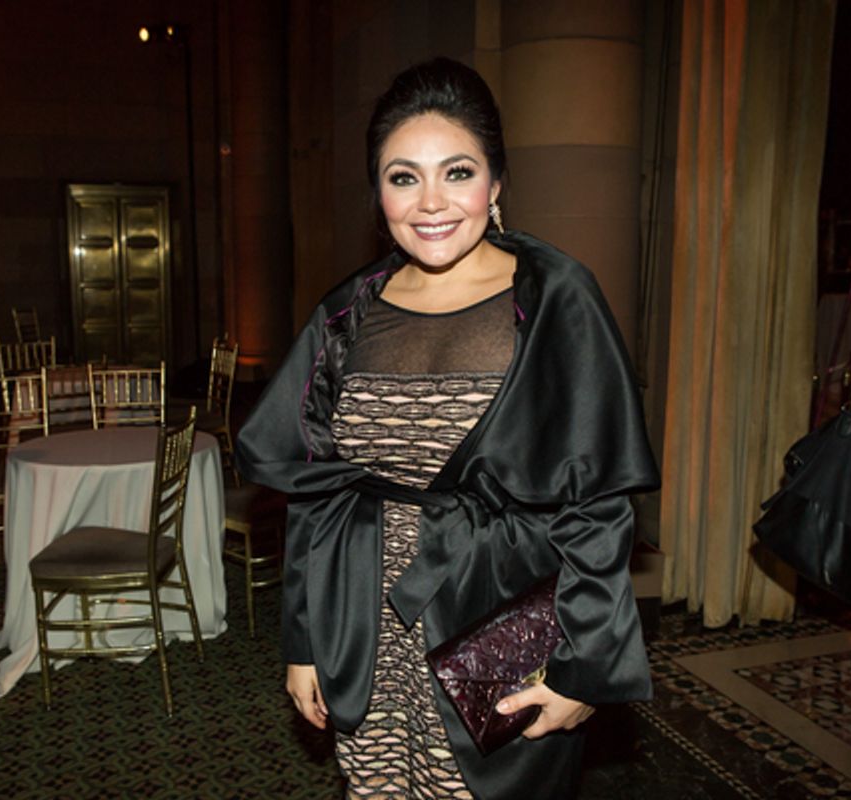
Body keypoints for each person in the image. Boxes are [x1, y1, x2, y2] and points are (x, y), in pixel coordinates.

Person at [235, 58, 659, 799]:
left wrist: (584, 662)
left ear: (496, 184)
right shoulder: (346, 315)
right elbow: (317, 492)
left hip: (497, 628)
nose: (431, 202)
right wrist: (304, 642)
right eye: (403, 177)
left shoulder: (556, 299)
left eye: (456, 172)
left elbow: (597, 503)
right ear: (378, 193)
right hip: (363, 629)